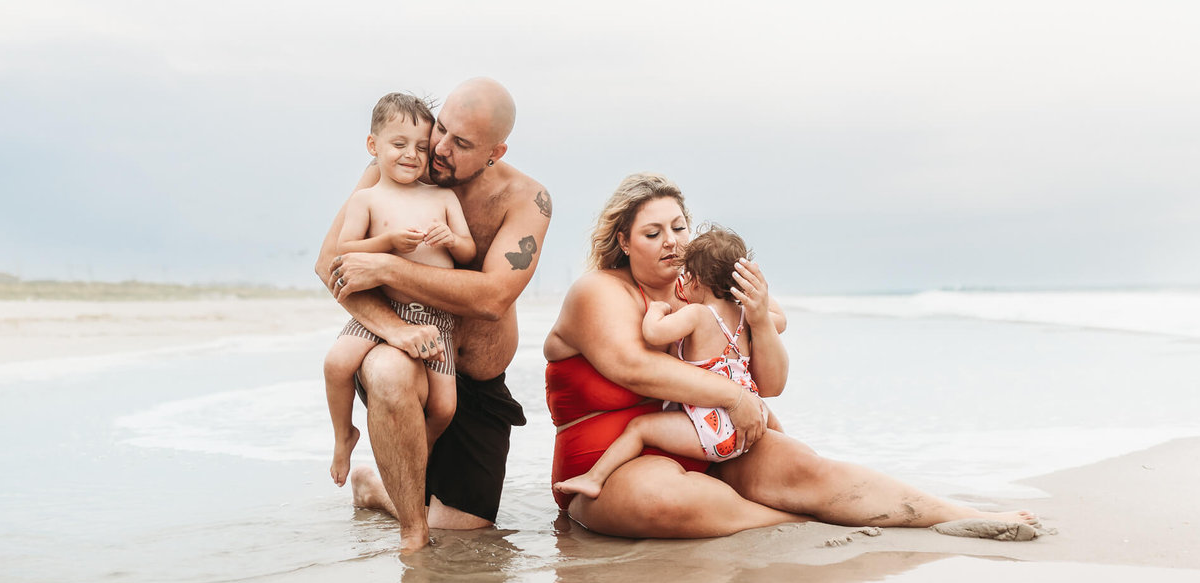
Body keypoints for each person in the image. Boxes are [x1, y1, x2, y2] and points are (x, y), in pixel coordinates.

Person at [543, 172, 1042, 540]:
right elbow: (635, 367)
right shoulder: (599, 291)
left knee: (810, 470)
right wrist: (734, 398)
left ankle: (953, 514)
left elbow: (773, 364)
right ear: (623, 242)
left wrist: (757, 314)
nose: (672, 242)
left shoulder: (703, 292)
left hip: (708, 441)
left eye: (679, 227)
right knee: (666, 502)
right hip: (609, 467)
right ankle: (798, 522)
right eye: (653, 233)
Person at [316, 78, 551, 552]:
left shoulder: (526, 199)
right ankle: (412, 534)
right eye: (440, 129)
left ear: (495, 151)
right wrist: (396, 330)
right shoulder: (394, 168)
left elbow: (491, 297)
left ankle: (379, 488)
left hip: (477, 383)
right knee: (387, 369)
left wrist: (387, 264)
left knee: (468, 525)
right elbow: (331, 264)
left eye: (460, 143)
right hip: (402, 348)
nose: (438, 149)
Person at [552, 226, 786, 500]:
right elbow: (779, 320)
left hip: (711, 430)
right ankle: (788, 450)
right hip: (748, 425)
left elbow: (654, 333)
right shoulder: (746, 317)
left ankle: (595, 477)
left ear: (697, 281)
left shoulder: (696, 314)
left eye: (685, 276)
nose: (681, 282)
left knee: (640, 429)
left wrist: (656, 309)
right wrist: (753, 298)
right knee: (769, 418)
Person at [323, 92, 476, 487]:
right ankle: (344, 436)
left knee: (444, 406)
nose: (411, 155)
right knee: (336, 364)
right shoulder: (367, 199)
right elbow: (345, 249)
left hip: (433, 318)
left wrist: (450, 239)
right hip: (384, 312)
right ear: (373, 146)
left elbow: (468, 249)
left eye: (421, 148)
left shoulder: (442, 197)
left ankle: (414, 456)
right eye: (398, 144)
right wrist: (387, 242)